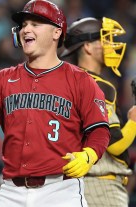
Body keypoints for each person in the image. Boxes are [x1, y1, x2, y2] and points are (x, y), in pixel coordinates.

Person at [0, 0, 110, 206]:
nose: (26, 29)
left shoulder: (80, 80)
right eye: (24, 24)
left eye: (35, 24)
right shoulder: (3, 78)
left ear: (56, 33)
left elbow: (99, 130)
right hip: (11, 191)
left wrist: (89, 155)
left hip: (60, 190)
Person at [61, 17, 136, 207]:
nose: (110, 45)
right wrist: (134, 120)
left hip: (73, 185)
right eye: (104, 40)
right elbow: (116, 145)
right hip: (100, 186)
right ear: (87, 46)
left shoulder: (67, 81)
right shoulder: (98, 85)